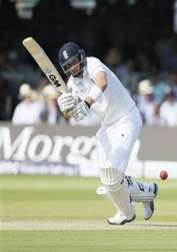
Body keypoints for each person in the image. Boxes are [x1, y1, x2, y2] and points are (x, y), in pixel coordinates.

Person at [56, 42, 158, 225]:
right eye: (68, 66)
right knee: (109, 180)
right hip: (107, 127)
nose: (72, 67)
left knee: (112, 175)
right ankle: (147, 192)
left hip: (127, 119)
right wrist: (64, 107)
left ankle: (127, 213)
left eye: (74, 62)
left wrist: (86, 102)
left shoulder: (94, 64)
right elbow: (72, 115)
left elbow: (102, 83)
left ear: (81, 57)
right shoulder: (72, 84)